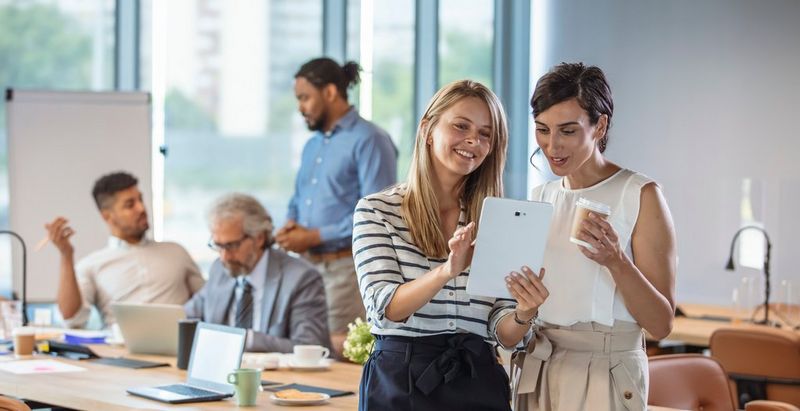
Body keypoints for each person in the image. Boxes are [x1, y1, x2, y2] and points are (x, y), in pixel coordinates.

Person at [354, 80, 539, 410]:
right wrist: (447, 270)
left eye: (485, 134)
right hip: (401, 382)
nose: (473, 140)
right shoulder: (376, 210)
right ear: (428, 129)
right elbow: (386, 308)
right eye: (461, 126)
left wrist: (525, 311)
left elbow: (503, 331)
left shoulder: (495, 219)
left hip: (478, 380)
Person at [508, 63, 677, 411]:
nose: (552, 146)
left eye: (568, 131)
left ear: (599, 125)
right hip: (540, 366)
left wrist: (616, 260)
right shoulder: (540, 197)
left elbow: (661, 324)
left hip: (607, 373)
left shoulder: (640, 194)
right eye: (542, 130)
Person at [276, 57, 397, 351]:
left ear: (330, 92)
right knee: (301, 351)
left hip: (344, 270)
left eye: (305, 97)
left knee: (332, 354)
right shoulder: (312, 145)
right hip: (306, 268)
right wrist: (291, 226)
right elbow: (298, 197)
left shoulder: (370, 140)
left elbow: (377, 216)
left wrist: (314, 236)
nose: (300, 107)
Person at [45, 171, 204, 328]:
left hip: (177, 348)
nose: (141, 208)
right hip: (119, 350)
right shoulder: (91, 265)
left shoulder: (176, 252)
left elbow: (209, 303)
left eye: (140, 199)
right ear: (107, 216)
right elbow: (72, 319)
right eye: (130, 205)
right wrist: (66, 255)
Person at [185, 193, 330, 352]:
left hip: (277, 375)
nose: (224, 256)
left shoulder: (301, 278)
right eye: (218, 246)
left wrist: (246, 339)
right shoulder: (219, 269)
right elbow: (187, 316)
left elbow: (310, 347)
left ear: (259, 238)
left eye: (231, 246)